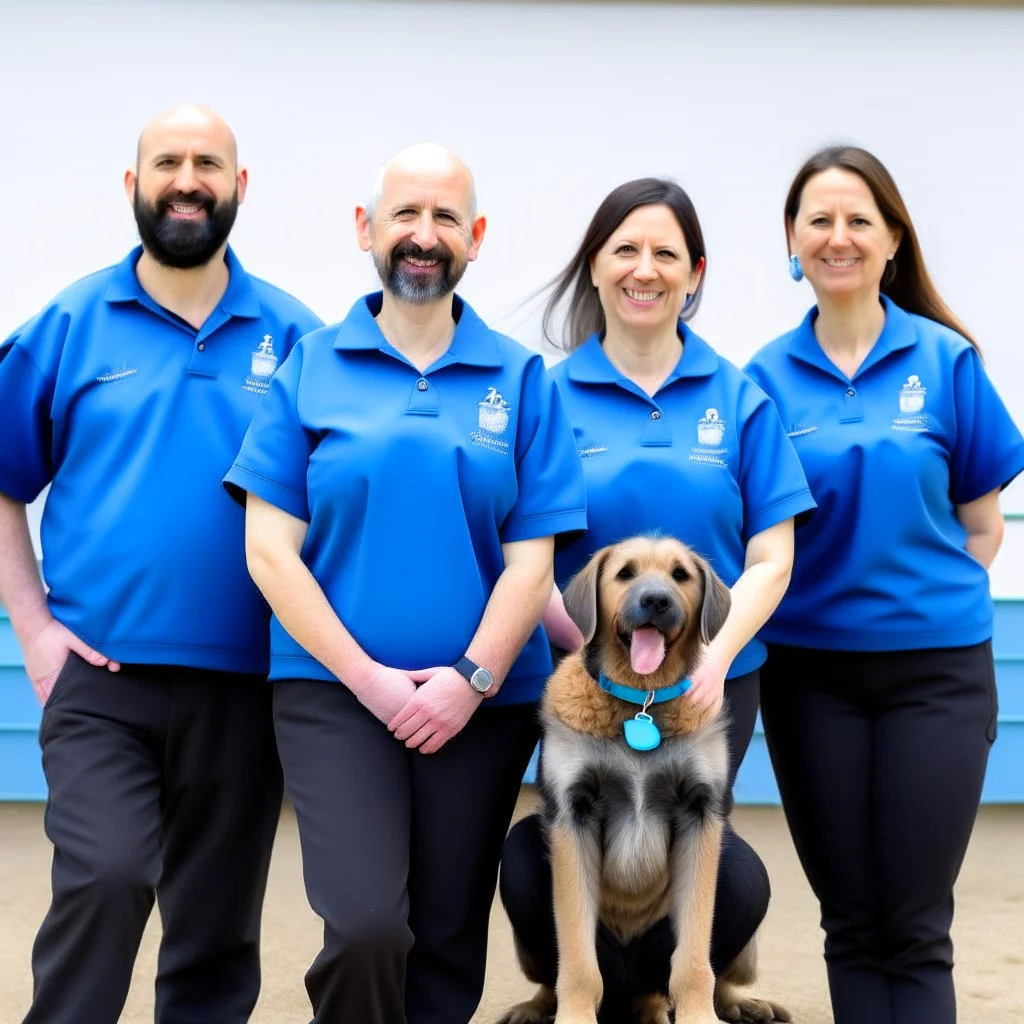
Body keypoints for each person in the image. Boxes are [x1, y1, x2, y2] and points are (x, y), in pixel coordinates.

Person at [223, 143, 586, 1024]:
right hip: (335, 698)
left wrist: (470, 682)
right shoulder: (312, 366)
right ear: (367, 230)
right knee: (364, 927)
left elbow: (531, 561)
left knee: (448, 931)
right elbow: (270, 552)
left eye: (446, 219)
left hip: (484, 706)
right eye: (406, 217)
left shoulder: (519, 378)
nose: (424, 237)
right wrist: (372, 681)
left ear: (477, 237)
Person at [0, 105, 322, 1024]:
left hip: (247, 685)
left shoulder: (297, 338)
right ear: (134, 184)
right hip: (101, 679)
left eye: (208, 163)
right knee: (105, 882)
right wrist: (34, 631)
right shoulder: (69, 325)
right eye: (168, 161)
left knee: (216, 933)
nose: (188, 178)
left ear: (239, 186)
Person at [502, 177, 813, 1019]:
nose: (645, 268)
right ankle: (572, 991)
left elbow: (771, 554)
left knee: (730, 875)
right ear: (595, 269)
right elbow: (520, 546)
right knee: (544, 854)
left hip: (706, 676)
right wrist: (589, 658)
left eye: (666, 253)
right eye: (625, 250)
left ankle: (675, 992)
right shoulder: (545, 392)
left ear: (695, 272)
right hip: (584, 674)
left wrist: (712, 653)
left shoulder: (739, 395)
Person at [744, 145, 1024, 1024]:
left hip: (935, 679)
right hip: (809, 678)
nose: (838, 237)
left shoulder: (946, 363)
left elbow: (982, 530)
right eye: (819, 220)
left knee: (914, 924)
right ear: (792, 240)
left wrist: (910, 604)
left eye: (859, 219)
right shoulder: (761, 381)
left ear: (892, 239)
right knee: (851, 923)